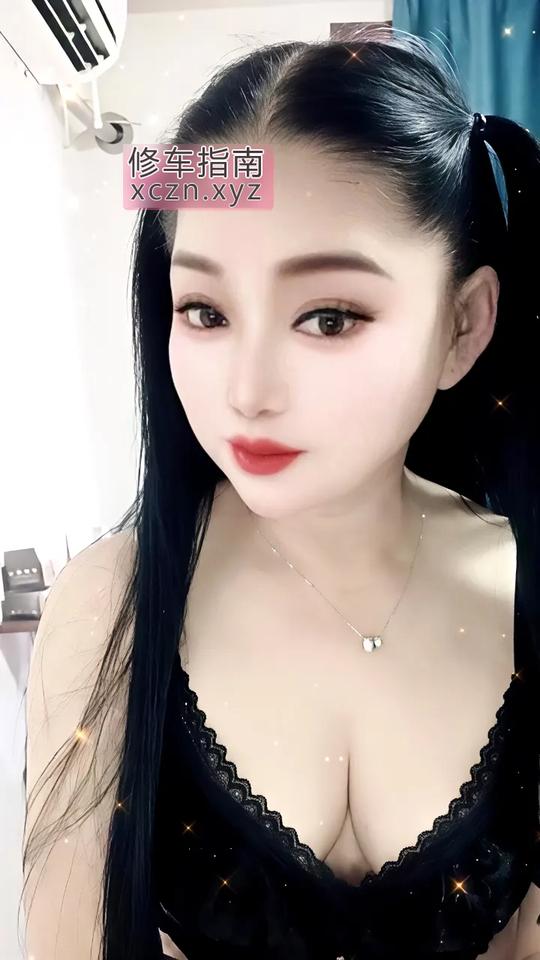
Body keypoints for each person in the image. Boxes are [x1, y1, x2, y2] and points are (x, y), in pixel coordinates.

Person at [22, 27, 540, 960]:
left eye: (329, 317)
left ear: (463, 326)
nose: (247, 390)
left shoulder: (527, 589)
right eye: (205, 311)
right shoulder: (108, 608)